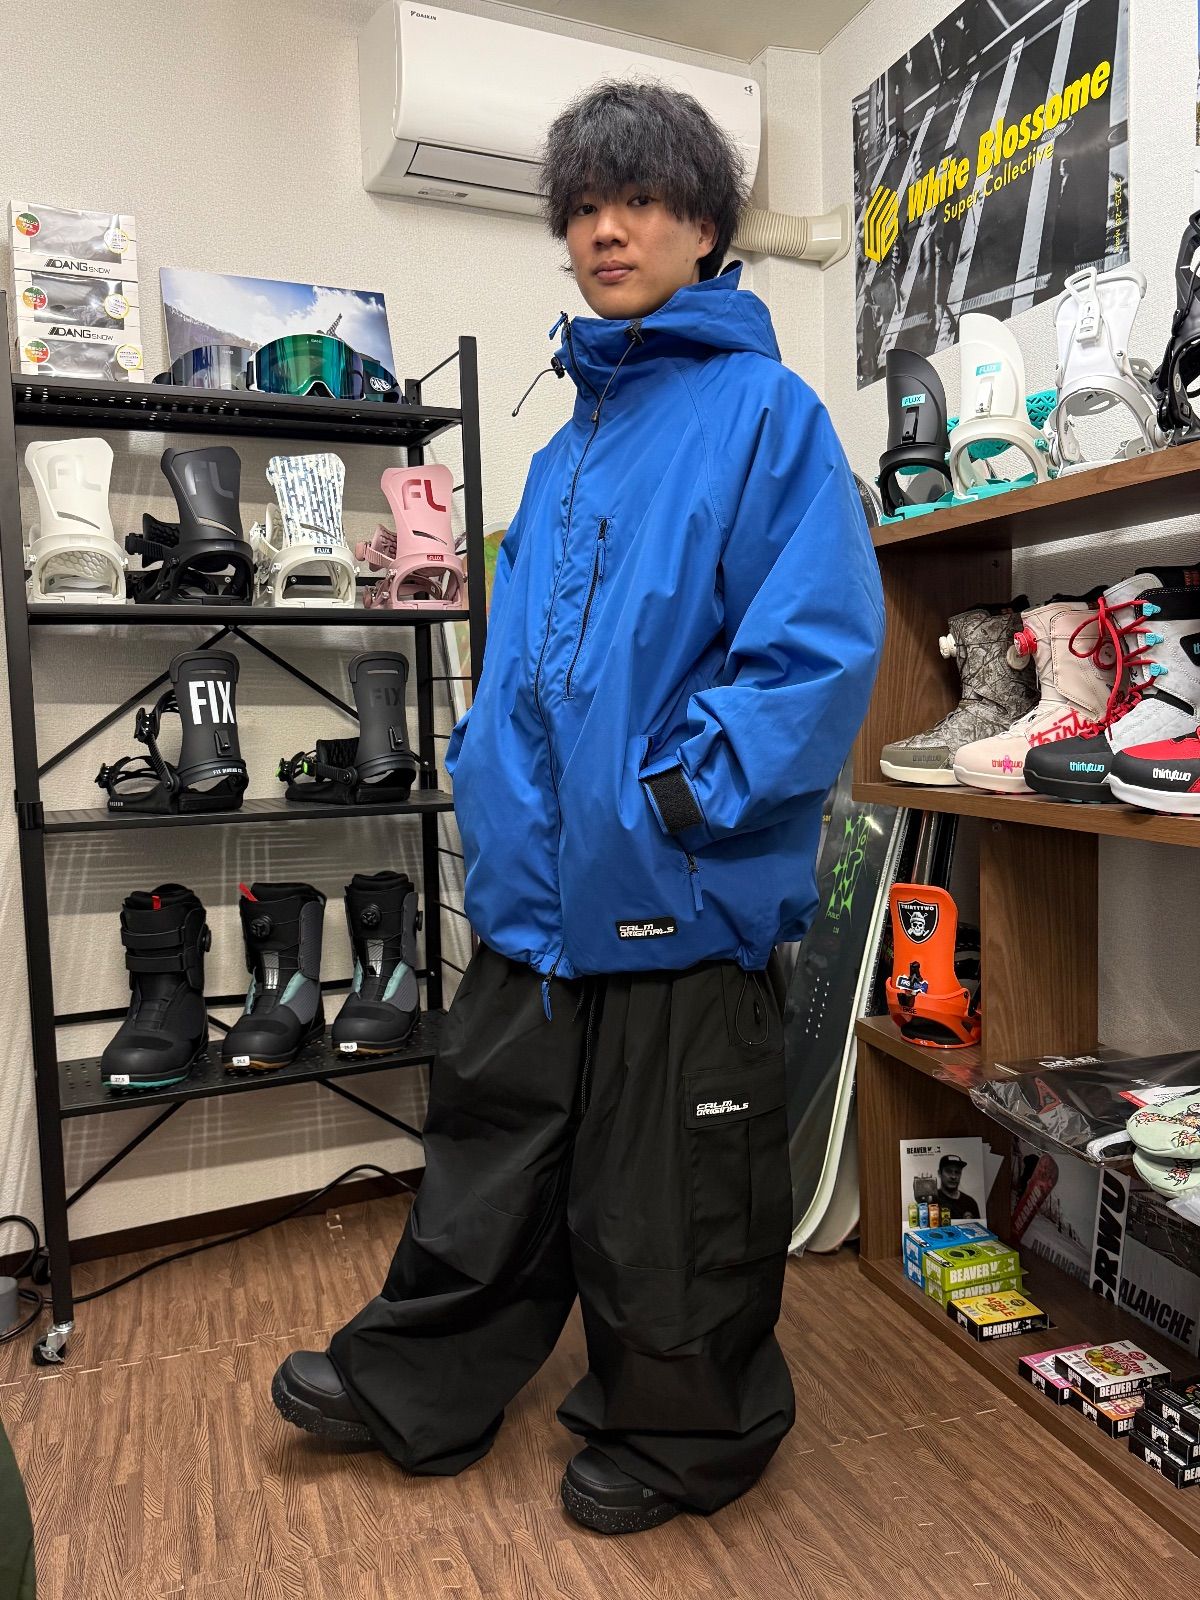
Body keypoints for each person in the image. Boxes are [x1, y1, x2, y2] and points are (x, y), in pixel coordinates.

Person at [272, 79, 884, 1536]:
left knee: (669, 1199)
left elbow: (816, 651)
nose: (609, 230)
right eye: (586, 207)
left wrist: (681, 796)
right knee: (489, 1157)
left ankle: (685, 1440)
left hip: (679, 882)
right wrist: (490, 778)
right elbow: (524, 671)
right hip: (537, 894)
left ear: (705, 227)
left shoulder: (767, 417)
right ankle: (417, 1384)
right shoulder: (563, 449)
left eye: (643, 200)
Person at [937, 1154, 981, 1220]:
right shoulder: (933, 1200)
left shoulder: (970, 1203)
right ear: (939, 1173)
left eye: (957, 1172)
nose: (953, 1176)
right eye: (949, 1171)